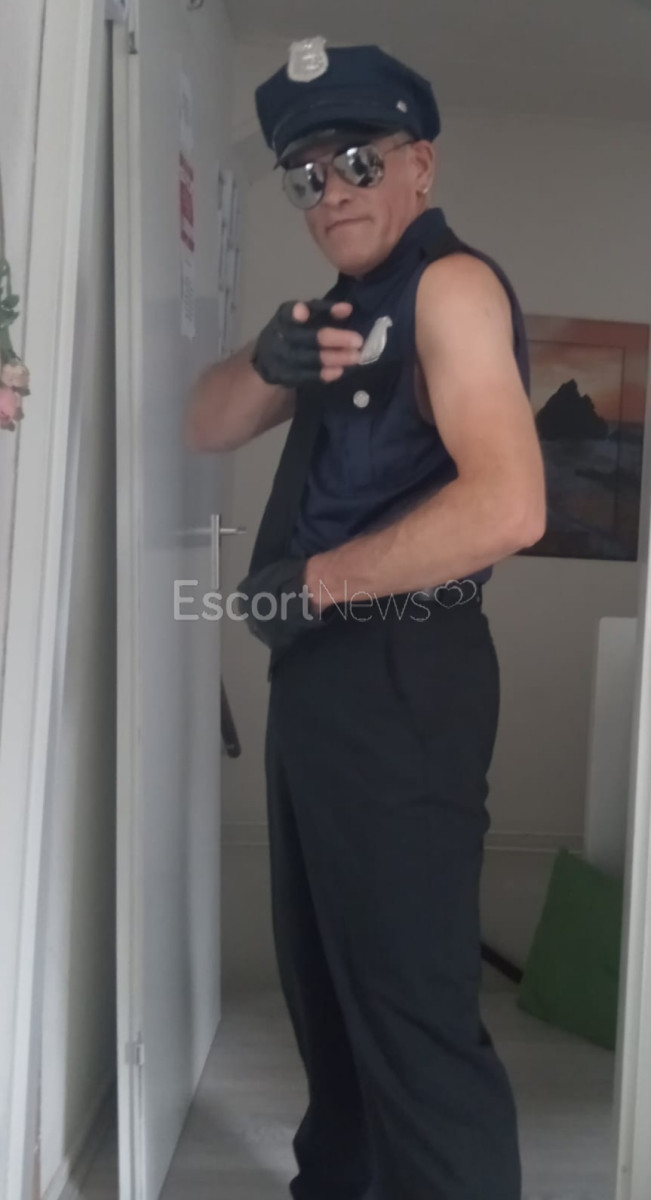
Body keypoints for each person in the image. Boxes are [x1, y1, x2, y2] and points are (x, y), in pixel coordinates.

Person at [186, 37, 546, 1200]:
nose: (331, 192)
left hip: (401, 670)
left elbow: (512, 505)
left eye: (356, 160)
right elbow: (204, 423)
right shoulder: (338, 308)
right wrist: (267, 357)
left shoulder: (449, 286)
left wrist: (318, 582)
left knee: (409, 1014)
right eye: (306, 175)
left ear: (418, 164)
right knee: (329, 989)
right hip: (325, 679)